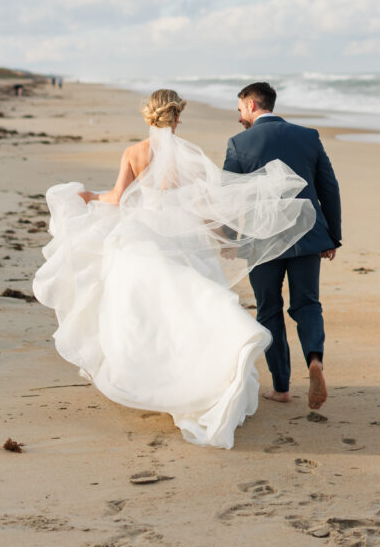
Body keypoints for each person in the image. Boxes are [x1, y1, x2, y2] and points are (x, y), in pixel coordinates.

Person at [32, 89, 316, 449]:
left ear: (149, 116)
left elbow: (117, 199)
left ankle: (152, 382)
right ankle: (215, 363)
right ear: (177, 118)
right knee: (193, 308)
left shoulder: (134, 153)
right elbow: (207, 209)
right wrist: (225, 239)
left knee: (144, 316)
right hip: (184, 239)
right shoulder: (193, 159)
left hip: (142, 238)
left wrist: (88, 197)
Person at [224, 82, 341, 411]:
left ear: (250, 105)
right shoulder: (308, 136)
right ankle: (315, 360)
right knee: (307, 305)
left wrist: (229, 238)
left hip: (262, 241)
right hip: (307, 236)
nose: (239, 117)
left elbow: (229, 196)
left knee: (269, 310)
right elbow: (328, 188)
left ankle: (281, 387)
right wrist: (333, 236)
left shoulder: (239, 143)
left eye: (239, 110)